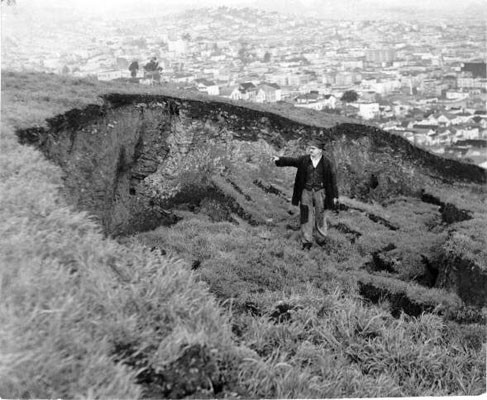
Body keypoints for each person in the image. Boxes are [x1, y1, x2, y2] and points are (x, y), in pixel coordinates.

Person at [272, 138, 339, 250]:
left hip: (320, 192)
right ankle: (306, 241)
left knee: (320, 215)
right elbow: (292, 161)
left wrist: (335, 196)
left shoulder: (328, 163)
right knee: (306, 216)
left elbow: (333, 181)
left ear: (320, 150)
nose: (310, 150)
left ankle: (321, 238)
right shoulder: (304, 160)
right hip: (306, 192)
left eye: (313, 148)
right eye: (310, 148)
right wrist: (279, 159)